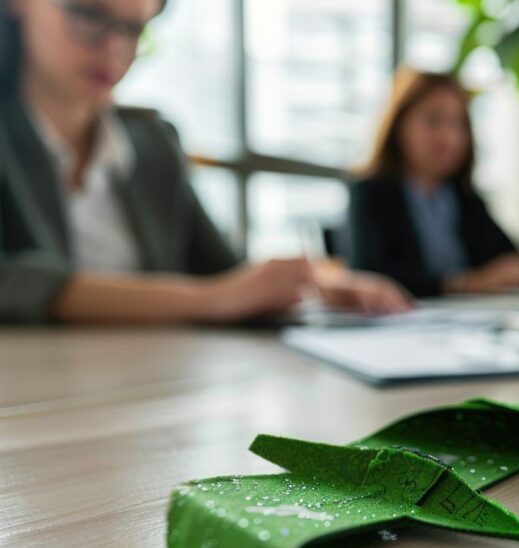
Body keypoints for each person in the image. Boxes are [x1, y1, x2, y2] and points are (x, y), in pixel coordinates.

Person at [0, 0, 411, 324]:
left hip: (150, 387)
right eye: (89, 12)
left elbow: (225, 273)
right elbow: (13, 280)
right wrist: (212, 299)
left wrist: (313, 287)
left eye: (134, 28)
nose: (115, 48)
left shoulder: (153, 142)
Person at [348, 68, 519, 298]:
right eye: (433, 121)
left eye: (457, 124)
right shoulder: (371, 192)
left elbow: (508, 256)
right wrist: (463, 283)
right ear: (398, 125)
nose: (448, 137)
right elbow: (369, 275)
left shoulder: (465, 199)